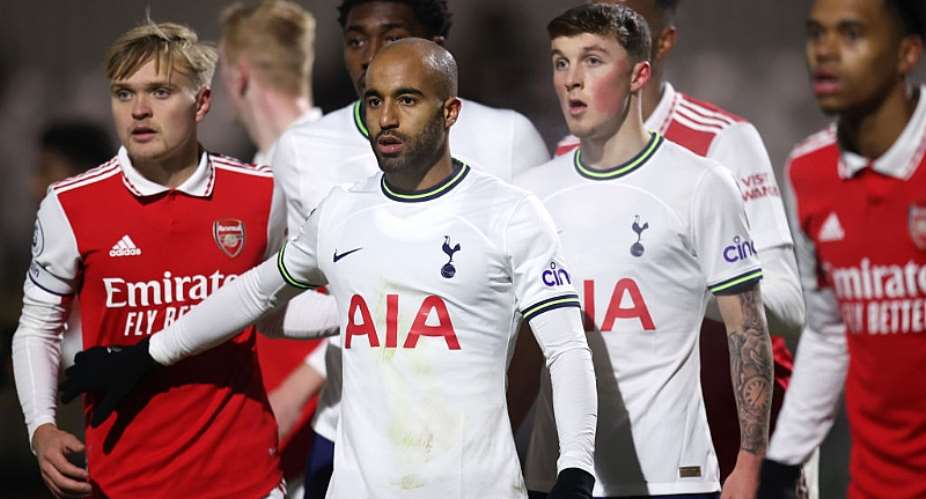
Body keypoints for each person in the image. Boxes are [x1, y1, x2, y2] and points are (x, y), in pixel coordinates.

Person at [60, 38, 599, 499]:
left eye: (406, 100)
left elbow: (566, 347)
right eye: (374, 101)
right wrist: (148, 353)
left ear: (449, 111)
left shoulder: (509, 213)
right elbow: (253, 293)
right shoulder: (343, 210)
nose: (385, 119)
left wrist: (575, 467)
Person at [267, 1, 550, 495]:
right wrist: (374, 305)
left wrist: (501, 420)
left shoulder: (507, 138)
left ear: (437, 48)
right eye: (356, 40)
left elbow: (536, 314)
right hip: (347, 435)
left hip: (468, 445)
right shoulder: (302, 149)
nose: (371, 56)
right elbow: (275, 304)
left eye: (393, 38)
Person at [12, 21, 289, 498]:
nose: (139, 110)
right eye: (124, 93)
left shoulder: (262, 192)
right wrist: (41, 426)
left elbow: (275, 313)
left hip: (248, 482)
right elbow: (38, 324)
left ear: (202, 102)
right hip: (124, 482)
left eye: (160, 92)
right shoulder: (69, 204)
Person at [516, 4, 774, 498]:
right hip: (558, 479)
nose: (571, 79)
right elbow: (525, 347)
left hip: (672, 479)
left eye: (592, 60)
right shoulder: (530, 194)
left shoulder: (699, 184)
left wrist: (749, 462)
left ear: (639, 74)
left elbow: (748, 328)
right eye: (560, 61)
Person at [759, 1, 926, 498]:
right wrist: (780, 466)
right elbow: (830, 331)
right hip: (875, 485)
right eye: (816, 34)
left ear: (906, 54)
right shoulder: (808, 173)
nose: (825, 52)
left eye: (851, 34)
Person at [218, 1, 327, 491]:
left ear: (239, 75)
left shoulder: (325, 164)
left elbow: (384, 293)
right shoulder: (259, 172)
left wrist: (292, 394)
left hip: (327, 448)